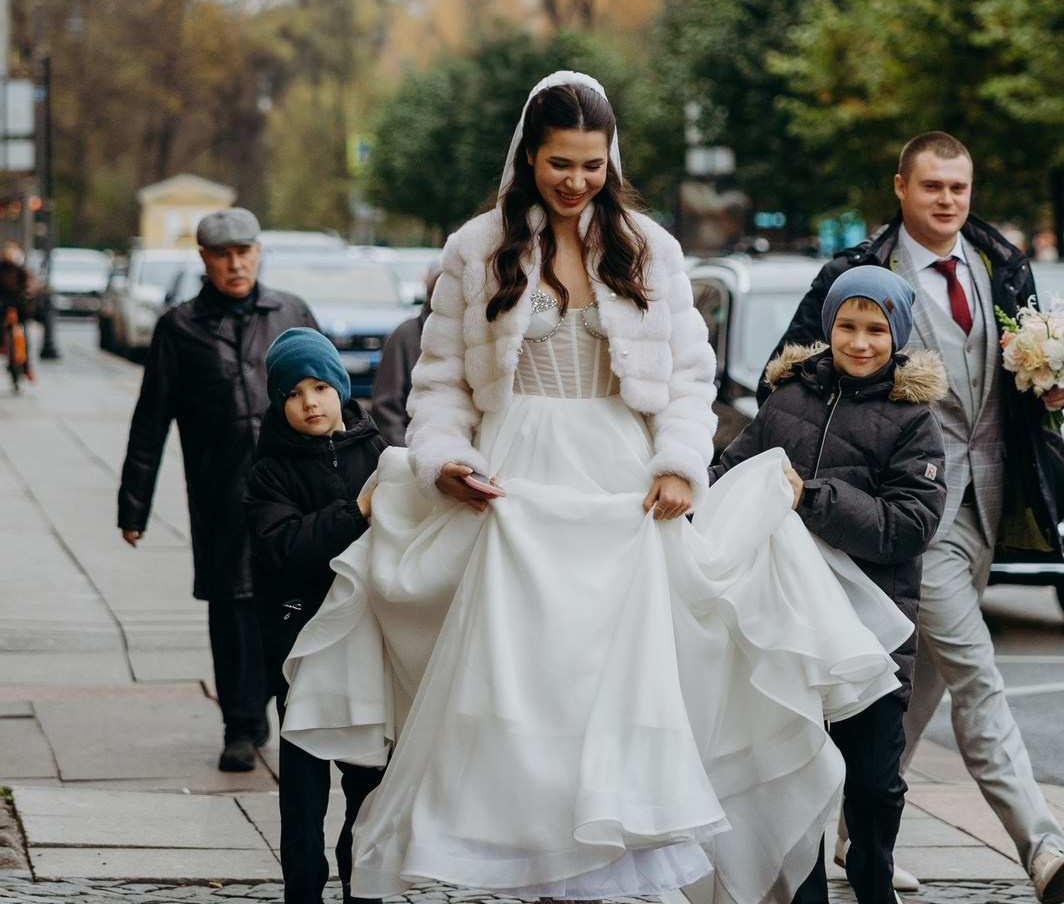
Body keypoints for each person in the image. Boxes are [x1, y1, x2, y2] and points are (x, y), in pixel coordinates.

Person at [281, 71, 914, 904]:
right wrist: (441, 462)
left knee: (619, 686)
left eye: (590, 165)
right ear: (529, 157)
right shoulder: (475, 249)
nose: (575, 182)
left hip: (624, 485)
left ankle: (610, 866)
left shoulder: (651, 246)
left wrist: (683, 465)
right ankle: (532, 866)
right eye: (558, 165)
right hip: (513, 485)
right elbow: (437, 385)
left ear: (609, 159)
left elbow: (692, 380)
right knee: (523, 687)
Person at [766, 132, 1064, 904]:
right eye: (933, 185)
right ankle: (1041, 842)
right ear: (901, 188)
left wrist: (1047, 393)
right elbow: (791, 376)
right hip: (901, 513)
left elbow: (1010, 378)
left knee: (923, 680)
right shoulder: (855, 276)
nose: (948, 199)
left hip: (987, 500)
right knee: (975, 670)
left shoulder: (1000, 267)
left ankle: (856, 829)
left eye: (960, 187)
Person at [714, 266, 947, 904]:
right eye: (848, 325)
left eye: (876, 329)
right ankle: (805, 892)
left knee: (874, 778)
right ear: (828, 326)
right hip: (789, 625)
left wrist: (810, 497)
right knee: (796, 771)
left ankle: (873, 879)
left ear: (896, 335)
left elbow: (909, 525)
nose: (860, 342)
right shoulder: (785, 401)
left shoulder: (913, 420)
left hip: (870, 632)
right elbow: (728, 474)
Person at [117, 208, 319, 773]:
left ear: (258, 253)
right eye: (223, 254)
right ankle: (241, 725)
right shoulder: (180, 328)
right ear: (205, 260)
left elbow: (330, 398)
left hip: (291, 493)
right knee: (232, 610)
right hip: (220, 494)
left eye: (245, 252)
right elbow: (150, 419)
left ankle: (297, 720)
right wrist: (134, 504)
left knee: (295, 604)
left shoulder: (291, 312)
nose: (236, 263)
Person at [246, 328, 386, 904]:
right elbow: (283, 546)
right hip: (300, 639)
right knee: (304, 782)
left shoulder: (376, 452)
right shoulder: (268, 471)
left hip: (365, 641)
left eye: (321, 386)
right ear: (279, 402)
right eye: (295, 391)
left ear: (341, 388)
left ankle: (364, 882)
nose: (310, 401)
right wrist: (354, 511)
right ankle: (302, 887)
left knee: (368, 776)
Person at [368, 258, 442, 446]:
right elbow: (386, 407)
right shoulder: (406, 336)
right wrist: (406, 455)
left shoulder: (475, 337)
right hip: (415, 453)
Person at [0, 241, 35, 382]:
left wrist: (27, 293)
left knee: (24, 336)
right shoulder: (1, 269)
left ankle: (26, 367)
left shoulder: (21, 270)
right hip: (4, 304)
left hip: (19, 306)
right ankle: (3, 346)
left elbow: (29, 283)